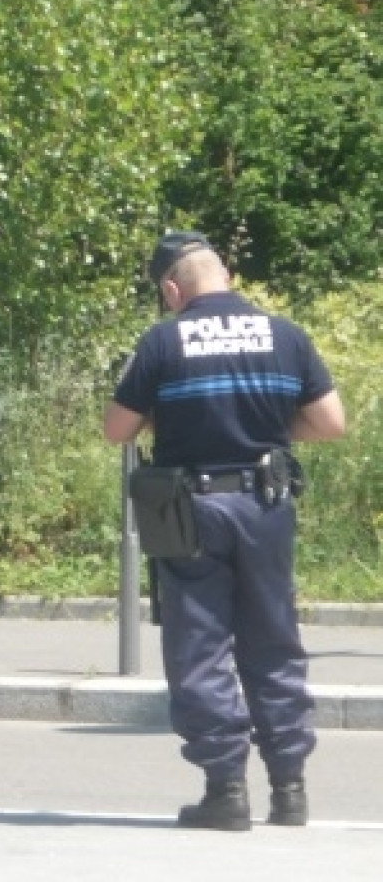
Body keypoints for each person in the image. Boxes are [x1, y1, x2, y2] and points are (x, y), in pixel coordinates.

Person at [103, 231, 346, 831]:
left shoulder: (163, 340)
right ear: (227, 273)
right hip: (267, 505)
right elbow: (330, 423)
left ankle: (225, 791)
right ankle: (290, 790)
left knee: (200, 647)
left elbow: (117, 429)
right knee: (274, 640)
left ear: (171, 288)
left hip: (193, 513)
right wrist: (269, 433)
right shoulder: (285, 335)